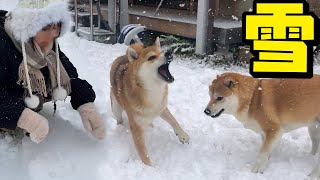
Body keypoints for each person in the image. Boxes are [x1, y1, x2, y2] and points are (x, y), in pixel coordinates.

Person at [0, 0, 106, 143]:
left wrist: (86, 104)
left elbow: (70, 77)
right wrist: (23, 117)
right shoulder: (4, 47)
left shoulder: (48, 46)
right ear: (27, 27)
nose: (52, 34)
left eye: (57, 27)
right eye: (45, 28)